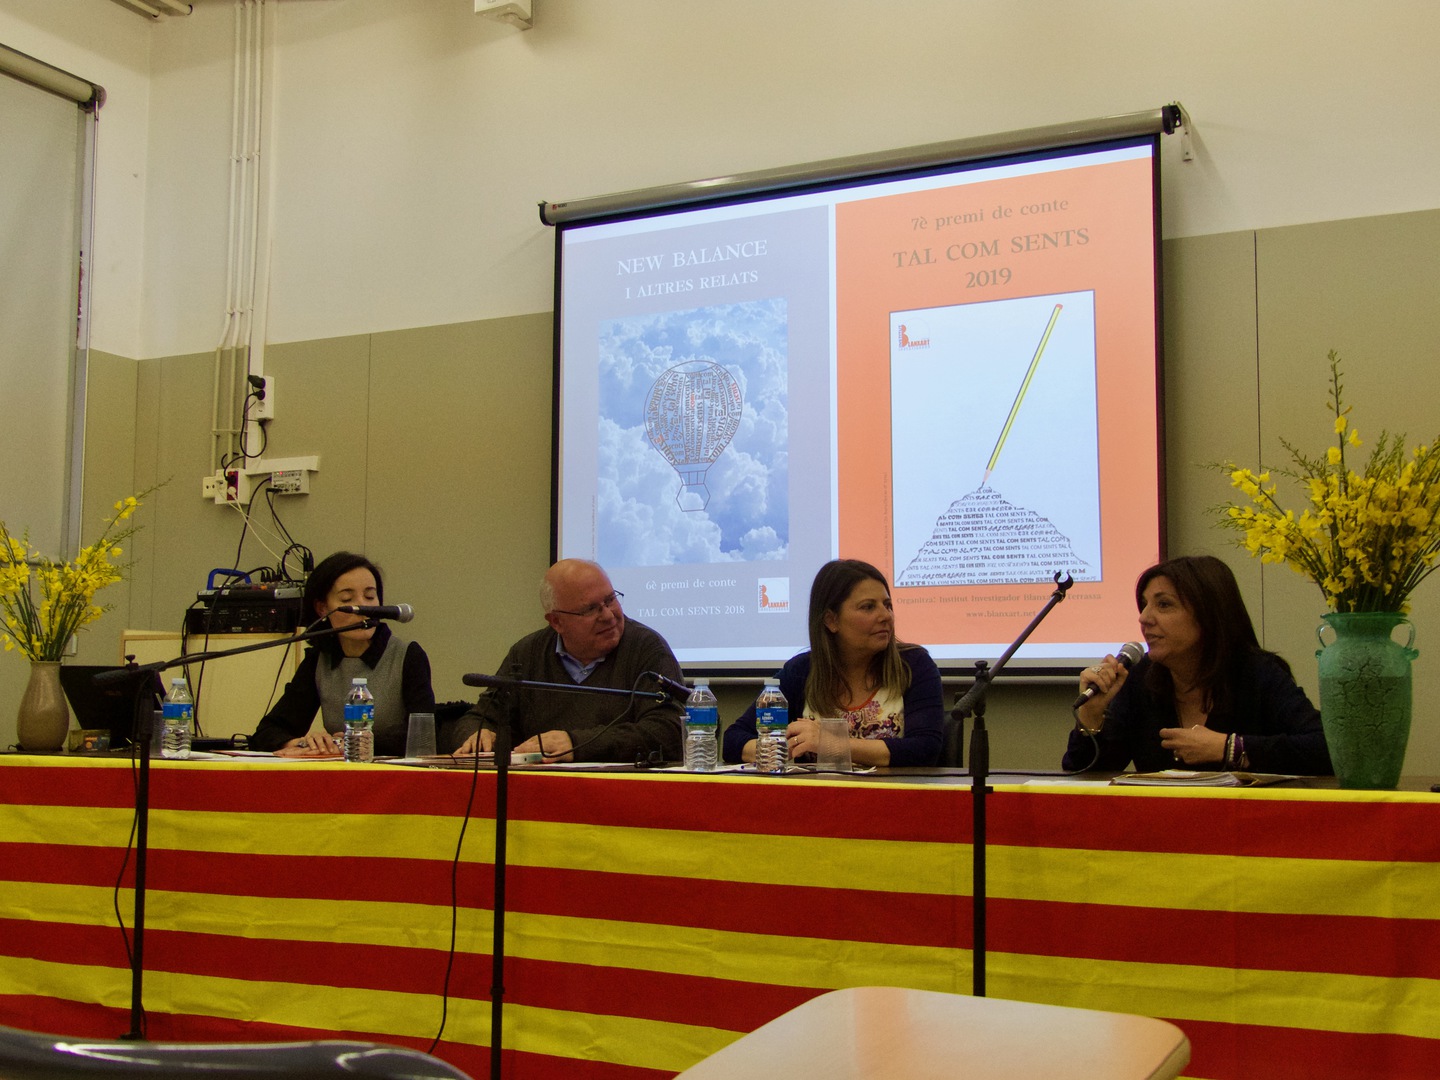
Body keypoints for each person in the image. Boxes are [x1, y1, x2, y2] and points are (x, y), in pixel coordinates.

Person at [1063, 554, 1332, 775]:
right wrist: (1091, 716)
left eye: (1163, 605)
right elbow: (1084, 775)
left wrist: (1230, 748)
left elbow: (1326, 749)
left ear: (1209, 614)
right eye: (1144, 605)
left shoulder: (1258, 673)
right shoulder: (1141, 678)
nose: (1144, 618)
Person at [452, 559, 684, 762]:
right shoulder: (527, 653)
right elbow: (478, 718)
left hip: (622, 791)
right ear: (556, 622)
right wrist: (478, 734)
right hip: (541, 791)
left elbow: (669, 731)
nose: (608, 615)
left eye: (610, 600)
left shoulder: (647, 648)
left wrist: (576, 744)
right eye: (590, 609)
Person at [723, 559, 943, 768]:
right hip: (817, 793)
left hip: (892, 793)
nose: (886, 616)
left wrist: (831, 743)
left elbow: (925, 750)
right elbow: (733, 741)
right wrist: (782, 747)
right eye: (868, 607)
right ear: (831, 620)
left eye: (887, 605)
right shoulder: (801, 671)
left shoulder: (913, 665)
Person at [249, 551, 434, 758]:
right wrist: (303, 744)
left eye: (370, 597)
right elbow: (267, 732)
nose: (363, 607)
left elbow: (422, 736)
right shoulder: (319, 660)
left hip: (394, 772)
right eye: (347, 598)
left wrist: (351, 744)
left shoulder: (407, 655)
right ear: (322, 608)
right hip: (340, 771)